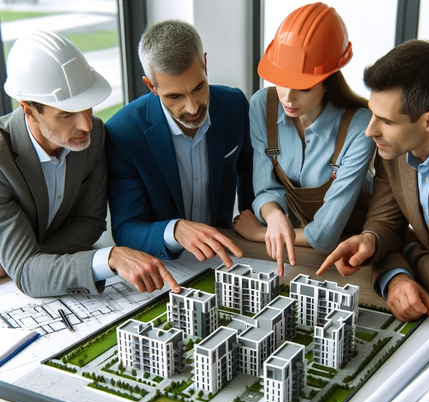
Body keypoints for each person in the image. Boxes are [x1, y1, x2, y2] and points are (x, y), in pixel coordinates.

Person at [0, 31, 180, 298]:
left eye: (88, 106)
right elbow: (27, 275)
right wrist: (108, 259)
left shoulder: (92, 135)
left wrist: (29, 260)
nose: (86, 124)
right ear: (28, 109)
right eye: (67, 114)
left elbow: (91, 221)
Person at [317, 39, 429, 322]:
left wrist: (405, 245)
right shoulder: (395, 146)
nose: (370, 132)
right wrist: (380, 252)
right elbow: (385, 225)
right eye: (372, 114)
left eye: (387, 121)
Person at [233, 3, 375, 276]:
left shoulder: (359, 126)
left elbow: (324, 236)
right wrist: (274, 216)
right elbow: (265, 188)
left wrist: (259, 233)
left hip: (357, 257)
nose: (288, 97)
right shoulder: (262, 104)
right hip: (301, 252)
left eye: (303, 87)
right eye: (282, 79)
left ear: (328, 78)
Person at [106, 20, 254, 268]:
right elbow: (125, 228)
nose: (193, 107)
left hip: (227, 257)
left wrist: (256, 225)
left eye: (199, 87)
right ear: (150, 86)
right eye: (174, 96)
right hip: (164, 265)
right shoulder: (122, 133)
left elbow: (250, 172)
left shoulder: (235, 105)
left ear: (205, 63)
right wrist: (175, 231)